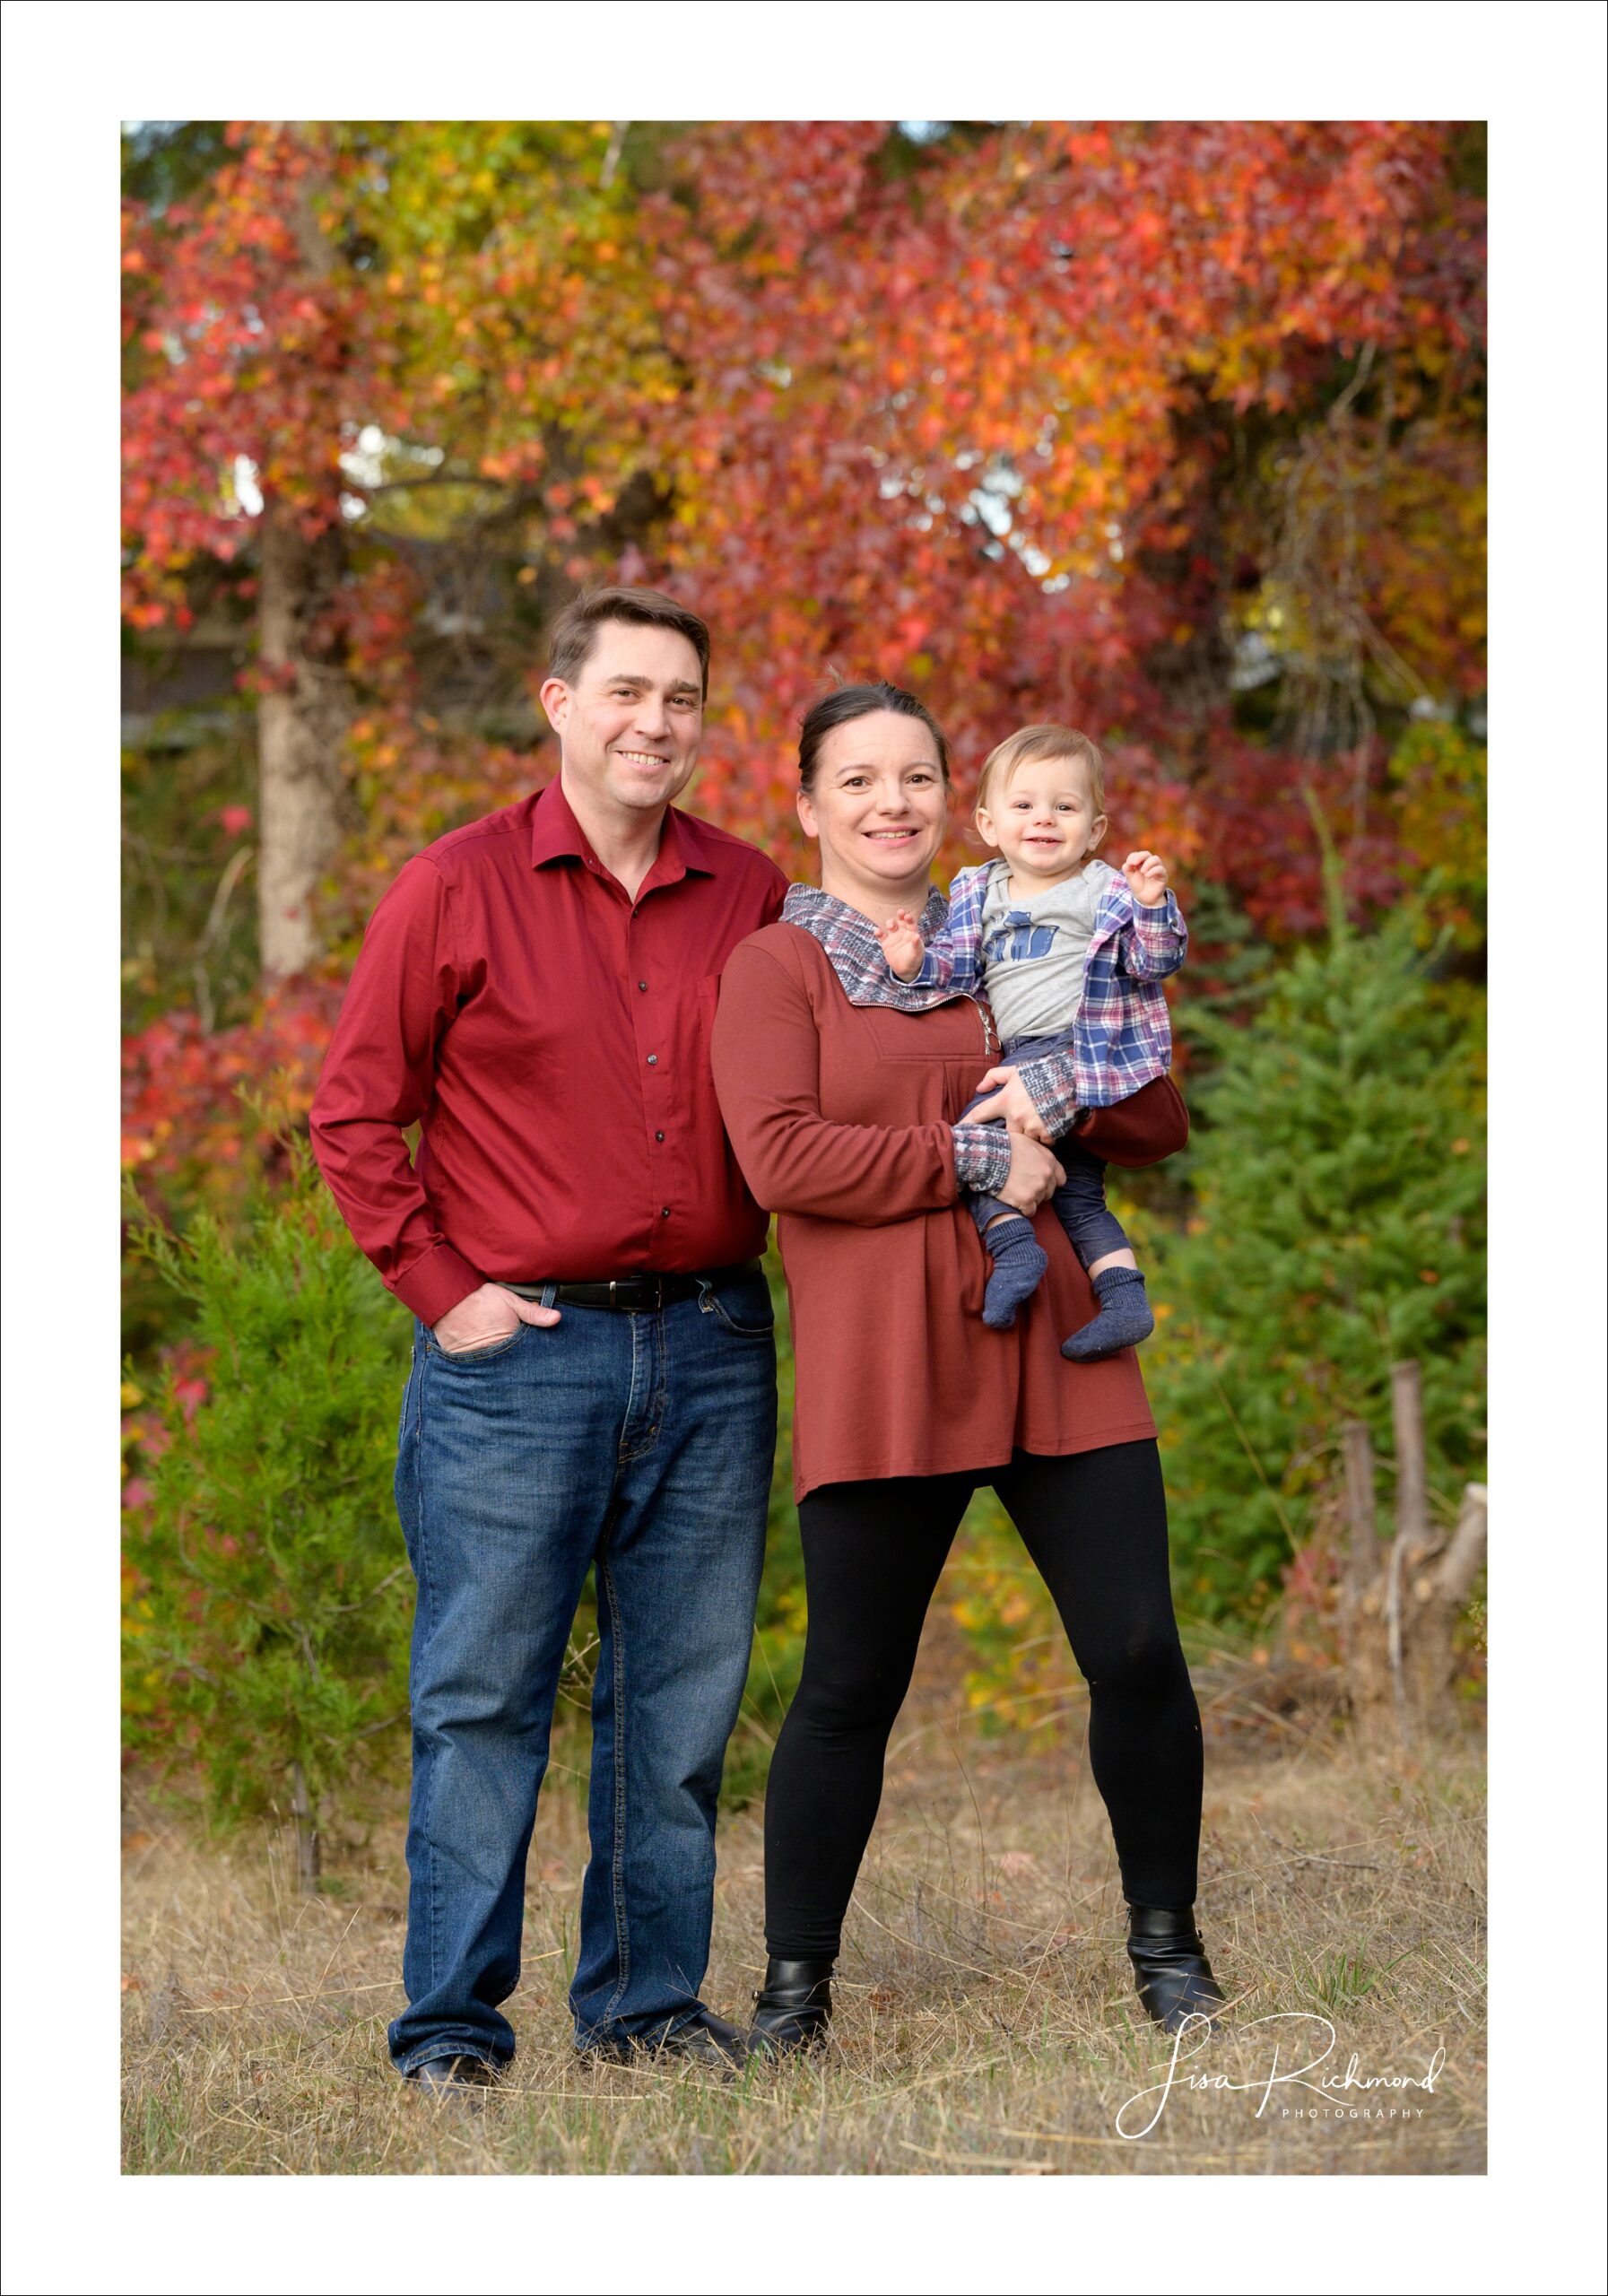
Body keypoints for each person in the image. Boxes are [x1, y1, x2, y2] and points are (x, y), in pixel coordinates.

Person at [309, 586, 787, 2090]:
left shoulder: (753, 892)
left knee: (681, 1702)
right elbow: (350, 1113)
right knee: (481, 1697)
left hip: (712, 1342)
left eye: (682, 700)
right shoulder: (453, 887)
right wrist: (439, 1289)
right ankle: (451, 2031)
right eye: (627, 692)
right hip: (518, 1359)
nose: (655, 723)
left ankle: (644, 2012)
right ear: (558, 701)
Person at [708, 681, 1226, 2054]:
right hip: (887, 1355)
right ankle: (793, 1996)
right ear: (809, 804)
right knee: (850, 1686)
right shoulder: (779, 968)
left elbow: (1161, 1115)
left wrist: (1074, 1076)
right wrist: (977, 1153)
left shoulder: (1017, 930)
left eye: (919, 778)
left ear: (958, 801)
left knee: (1135, 1648)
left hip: (1058, 1334)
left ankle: (1168, 1954)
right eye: (860, 781)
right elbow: (784, 1160)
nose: (894, 804)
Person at [873, 721, 1186, 1361]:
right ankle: (1121, 1298)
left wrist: (1153, 905)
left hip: (1085, 1055)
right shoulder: (977, 891)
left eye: (1064, 807)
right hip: (1017, 1059)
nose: (1043, 819)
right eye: (1023, 805)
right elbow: (956, 972)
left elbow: (1154, 962)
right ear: (988, 823)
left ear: (1094, 829)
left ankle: (1015, 1253)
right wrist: (910, 962)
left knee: (973, 1143)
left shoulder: (1107, 890)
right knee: (1072, 1190)